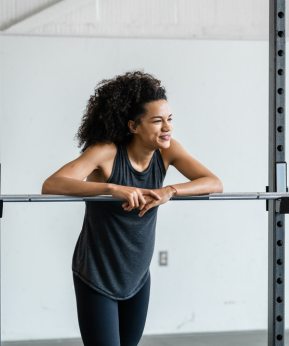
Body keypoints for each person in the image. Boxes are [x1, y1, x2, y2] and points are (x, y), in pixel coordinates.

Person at [42, 71, 223, 346]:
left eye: (169, 119)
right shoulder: (106, 152)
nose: (167, 127)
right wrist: (110, 188)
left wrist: (170, 191)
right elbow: (52, 184)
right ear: (133, 126)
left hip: (137, 275)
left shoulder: (168, 151)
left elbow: (214, 182)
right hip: (97, 274)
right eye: (157, 120)